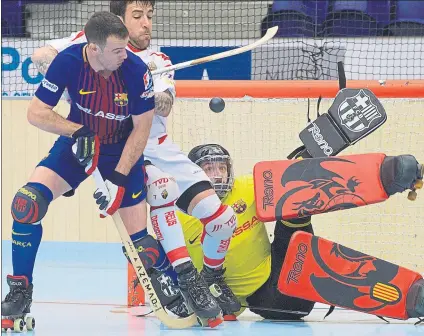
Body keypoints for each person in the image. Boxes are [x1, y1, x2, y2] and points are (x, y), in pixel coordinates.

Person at [1, 11, 220, 328]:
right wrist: (76, 131)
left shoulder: (135, 69)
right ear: (94, 48)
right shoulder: (68, 62)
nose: (125, 54)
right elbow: (36, 113)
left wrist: (118, 177)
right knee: (26, 204)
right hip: (78, 144)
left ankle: (180, 286)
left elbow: (142, 129)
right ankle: (20, 291)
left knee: (140, 245)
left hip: (121, 149)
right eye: (117, 50)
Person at [178, 144, 315, 320]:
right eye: (209, 169)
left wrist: (304, 162)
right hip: (223, 297)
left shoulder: (249, 186)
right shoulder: (180, 214)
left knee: (293, 199)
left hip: (269, 275)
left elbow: (283, 180)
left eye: (222, 167)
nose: (218, 175)